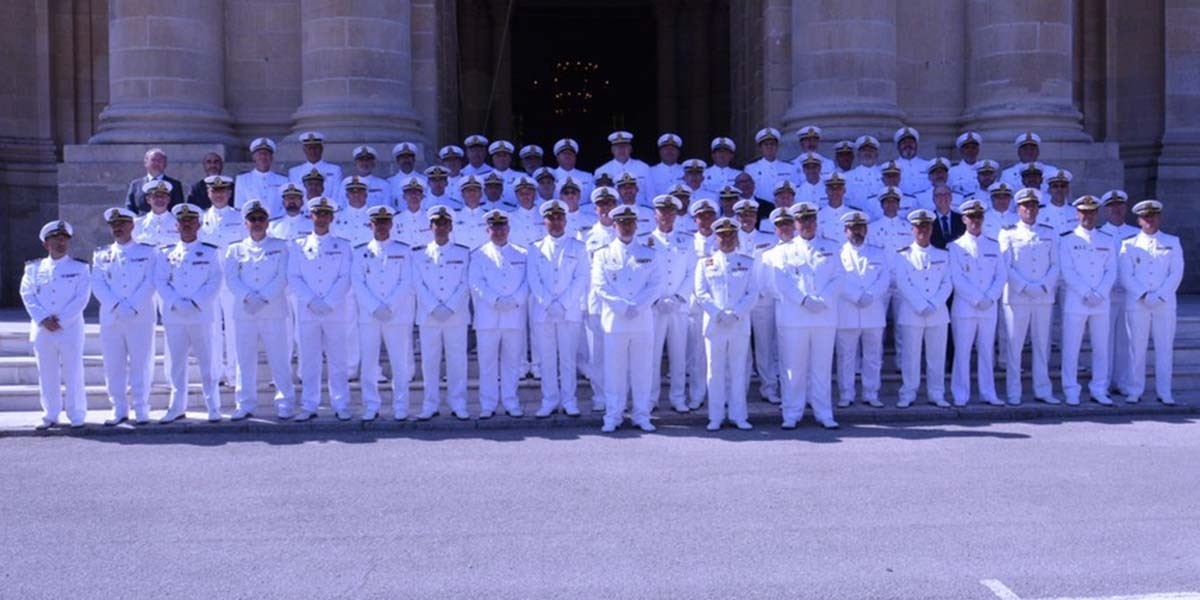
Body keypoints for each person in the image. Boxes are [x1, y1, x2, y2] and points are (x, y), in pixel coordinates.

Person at [591, 204, 664, 432]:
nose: (626, 227)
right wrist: (622, 306)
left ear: (636, 225)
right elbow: (599, 285)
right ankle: (613, 416)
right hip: (615, 321)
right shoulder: (602, 254)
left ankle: (642, 415)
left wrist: (638, 306)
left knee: (642, 371)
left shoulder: (649, 253)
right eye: (622, 223)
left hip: (642, 321)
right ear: (614, 225)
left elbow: (656, 284)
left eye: (630, 222)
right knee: (614, 372)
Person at [222, 199, 296, 420]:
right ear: (245, 223)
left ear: (267, 222)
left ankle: (285, 402)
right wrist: (248, 297)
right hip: (245, 311)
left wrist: (263, 298)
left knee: (279, 359)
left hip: (273, 310)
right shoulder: (235, 249)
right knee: (244, 360)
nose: (257, 223)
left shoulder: (281, 247)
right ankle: (244, 403)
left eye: (261, 218)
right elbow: (231, 278)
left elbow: (283, 277)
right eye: (252, 219)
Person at [773, 202, 841, 429]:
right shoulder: (784, 250)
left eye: (810, 219)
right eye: (802, 220)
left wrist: (823, 299)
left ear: (816, 221)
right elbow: (782, 281)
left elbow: (839, 277)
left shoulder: (831, 247)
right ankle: (792, 413)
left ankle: (824, 412)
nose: (807, 224)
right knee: (794, 368)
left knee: (822, 367)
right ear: (795, 223)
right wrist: (804, 300)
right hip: (795, 317)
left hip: (824, 316)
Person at [154, 204, 224, 424]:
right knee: (177, 364)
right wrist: (176, 301)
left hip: (200, 314)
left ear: (199, 224)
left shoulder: (211, 252)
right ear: (176, 225)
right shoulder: (165, 253)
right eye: (182, 221)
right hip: (175, 315)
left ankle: (213, 406)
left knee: (207, 363)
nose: (186, 225)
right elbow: (160, 280)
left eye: (191, 221)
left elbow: (214, 281)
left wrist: (194, 302)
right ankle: (176, 407)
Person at [288, 197, 352, 421]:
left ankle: (340, 403)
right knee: (309, 359)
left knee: (338, 360)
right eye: (318, 214)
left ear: (332, 218)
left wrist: (329, 301)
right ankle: (309, 404)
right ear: (310, 216)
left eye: (326, 214)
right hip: (308, 310)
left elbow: (345, 277)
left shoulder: (343, 246)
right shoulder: (298, 245)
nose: (321, 218)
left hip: (335, 310)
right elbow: (294, 276)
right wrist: (311, 301)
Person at [21, 220, 90, 430]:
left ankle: (76, 413)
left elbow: (81, 298)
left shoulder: (79, 268)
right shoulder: (33, 269)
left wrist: (61, 320)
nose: (61, 243)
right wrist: (43, 319)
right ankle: (50, 413)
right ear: (46, 243)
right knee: (47, 373)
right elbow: (27, 294)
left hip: (69, 328)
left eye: (64, 239)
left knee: (73, 372)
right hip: (43, 329)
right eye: (56, 239)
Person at [92, 208, 157, 426]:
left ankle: (141, 407)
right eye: (114, 225)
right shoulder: (101, 254)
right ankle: (118, 408)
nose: (117, 228)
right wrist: (117, 305)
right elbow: (98, 284)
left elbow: (150, 281)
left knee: (141, 363)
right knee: (113, 365)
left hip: (140, 316)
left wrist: (133, 305)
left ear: (132, 226)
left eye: (122, 224)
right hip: (112, 318)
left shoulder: (147, 252)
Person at [351, 205, 417, 421]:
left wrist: (390, 305)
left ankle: (401, 406)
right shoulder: (359, 252)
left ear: (391, 224)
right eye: (377, 222)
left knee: (400, 363)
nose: (381, 226)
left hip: (396, 314)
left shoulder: (404, 250)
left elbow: (406, 281)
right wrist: (374, 306)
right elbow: (358, 282)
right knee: (369, 363)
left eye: (385, 222)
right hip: (369, 316)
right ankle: (371, 404)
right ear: (370, 225)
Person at [694, 217, 759, 431]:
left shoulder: (748, 263)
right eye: (722, 235)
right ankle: (715, 416)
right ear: (716, 238)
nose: (727, 239)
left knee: (738, 371)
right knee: (715, 371)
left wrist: (736, 313)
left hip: (739, 324)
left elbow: (752, 293)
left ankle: (739, 415)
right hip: (715, 325)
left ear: (737, 237)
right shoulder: (705, 263)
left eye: (731, 235)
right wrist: (718, 314)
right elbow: (701, 293)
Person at [527, 199, 589, 417]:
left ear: (565, 220)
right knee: (547, 358)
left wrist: (563, 303)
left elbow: (581, 278)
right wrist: (547, 302)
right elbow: (533, 279)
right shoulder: (535, 248)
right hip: (543, 312)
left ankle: (569, 400)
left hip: (569, 312)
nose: (555, 222)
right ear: (544, 222)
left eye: (559, 218)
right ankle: (549, 400)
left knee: (568, 359)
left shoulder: (578, 247)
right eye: (550, 218)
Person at [1119, 199, 1184, 405]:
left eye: (1153, 216)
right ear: (1139, 220)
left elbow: (1176, 272)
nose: (1149, 220)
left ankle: (1164, 391)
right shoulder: (1129, 244)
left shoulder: (1172, 242)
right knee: (1136, 349)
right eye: (1145, 217)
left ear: (1159, 218)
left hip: (1164, 303)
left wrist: (1160, 295)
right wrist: (1144, 295)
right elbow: (1126, 275)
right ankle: (1134, 389)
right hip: (1138, 303)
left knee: (1164, 348)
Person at [999, 188, 1060, 405]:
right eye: (1025, 206)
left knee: (1042, 345)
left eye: (1033, 205)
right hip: (1017, 297)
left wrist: (1043, 285)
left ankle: (1042, 389)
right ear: (1018, 209)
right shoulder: (1007, 233)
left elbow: (1056, 264)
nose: (1029, 210)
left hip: (1043, 296)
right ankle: (1013, 391)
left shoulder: (1049, 233)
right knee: (1014, 346)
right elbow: (1005, 265)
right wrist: (1025, 286)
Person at [469, 210, 529, 418]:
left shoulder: (522, 254)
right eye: (494, 228)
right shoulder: (478, 255)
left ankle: (511, 401)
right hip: (487, 317)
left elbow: (527, 282)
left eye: (502, 227)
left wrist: (515, 300)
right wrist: (495, 300)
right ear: (487, 230)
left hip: (514, 316)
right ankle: (488, 404)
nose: (499, 231)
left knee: (512, 363)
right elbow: (476, 283)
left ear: (508, 229)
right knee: (487, 364)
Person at [414, 205, 472, 420]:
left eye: (444, 223)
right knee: (429, 362)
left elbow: (465, 283)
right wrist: (433, 306)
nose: (440, 227)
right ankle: (430, 404)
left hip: (455, 315)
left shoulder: (463, 253)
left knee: (457, 361)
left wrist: (450, 307)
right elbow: (417, 283)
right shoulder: (418, 254)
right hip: (428, 316)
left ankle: (458, 403)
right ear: (430, 227)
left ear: (451, 226)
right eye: (436, 223)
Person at [1058, 194, 1116, 406]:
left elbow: (1111, 269)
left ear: (1097, 214)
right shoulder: (1067, 239)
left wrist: (1099, 292)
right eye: (1084, 212)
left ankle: (1099, 388)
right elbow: (1067, 270)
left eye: (1091, 212)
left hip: (1101, 301)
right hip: (1077, 301)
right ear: (1077, 214)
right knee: (1071, 348)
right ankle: (1070, 389)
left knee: (1101, 348)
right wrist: (1085, 292)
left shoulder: (1107, 239)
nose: (1087, 216)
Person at [948, 199, 1007, 407]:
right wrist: (976, 297)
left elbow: (1001, 275)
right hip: (965, 307)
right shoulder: (955, 247)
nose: (975, 220)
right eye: (971, 217)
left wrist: (990, 297)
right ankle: (960, 393)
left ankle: (988, 392)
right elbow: (956, 277)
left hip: (988, 307)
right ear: (964, 219)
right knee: (962, 352)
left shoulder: (993, 244)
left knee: (986, 351)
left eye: (979, 216)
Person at [893, 208, 953, 408]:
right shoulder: (903, 255)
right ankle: (908, 393)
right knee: (911, 356)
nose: (923, 230)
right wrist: (920, 304)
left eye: (926, 226)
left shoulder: (943, 255)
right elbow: (903, 282)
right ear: (912, 229)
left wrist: (935, 303)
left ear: (931, 228)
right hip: (912, 313)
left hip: (938, 313)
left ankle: (936, 393)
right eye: (919, 227)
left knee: (937, 357)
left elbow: (947, 282)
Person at [643, 194, 696, 413]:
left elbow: (692, 272)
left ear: (676, 214)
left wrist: (678, 297)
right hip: (653, 308)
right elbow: (643, 274)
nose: (666, 215)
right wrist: (655, 299)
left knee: (679, 355)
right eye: (662, 211)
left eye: (670, 211)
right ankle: (650, 398)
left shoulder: (687, 241)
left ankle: (678, 397)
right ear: (655, 214)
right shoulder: (645, 241)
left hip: (678, 307)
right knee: (651, 355)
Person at [835, 211, 890, 408]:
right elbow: (837, 279)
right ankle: (846, 394)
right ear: (845, 231)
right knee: (846, 357)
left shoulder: (878, 253)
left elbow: (884, 278)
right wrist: (856, 295)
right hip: (847, 311)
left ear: (866, 230)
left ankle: (871, 393)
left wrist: (871, 295)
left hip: (873, 311)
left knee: (873, 356)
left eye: (860, 228)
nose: (856, 232)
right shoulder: (837, 253)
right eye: (852, 229)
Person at [199, 175, 243, 387]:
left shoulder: (240, 217)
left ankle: (234, 374)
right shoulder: (199, 218)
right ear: (208, 194)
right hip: (208, 281)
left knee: (234, 328)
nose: (219, 195)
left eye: (223, 191)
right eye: (214, 191)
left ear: (229, 193)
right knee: (212, 328)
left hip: (232, 281)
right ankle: (215, 373)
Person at [1099, 190, 1138, 396]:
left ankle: (1122, 381)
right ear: (1106, 210)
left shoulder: (1136, 234)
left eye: (1120, 205)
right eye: (1112, 206)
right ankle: (1103, 382)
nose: (1116, 209)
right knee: (1104, 340)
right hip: (1105, 295)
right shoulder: (1099, 233)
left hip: (1129, 294)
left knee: (1125, 340)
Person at [235, 138, 290, 217]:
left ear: (272, 158)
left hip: (277, 222)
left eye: (266, 154)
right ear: (253, 157)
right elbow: (239, 207)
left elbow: (285, 206)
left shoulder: (283, 180)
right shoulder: (242, 179)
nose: (263, 156)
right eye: (259, 154)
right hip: (253, 222)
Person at [597, 131, 652, 206]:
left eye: (624, 146)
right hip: (613, 210)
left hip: (639, 209)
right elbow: (597, 198)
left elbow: (651, 194)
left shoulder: (643, 167)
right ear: (612, 150)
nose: (621, 150)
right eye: (618, 147)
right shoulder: (602, 171)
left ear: (630, 148)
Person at [126, 148, 184, 214]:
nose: (156, 163)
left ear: (165, 164)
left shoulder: (175, 185)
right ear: (146, 163)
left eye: (160, 160)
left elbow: (178, 210)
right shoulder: (136, 185)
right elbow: (129, 209)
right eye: (153, 160)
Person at [133, 180, 181, 246]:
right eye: (156, 196)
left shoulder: (179, 223)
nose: (160, 199)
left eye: (163, 196)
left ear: (168, 199)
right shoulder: (136, 224)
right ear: (148, 199)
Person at [648, 133, 683, 197]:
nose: (669, 151)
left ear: (678, 152)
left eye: (673, 149)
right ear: (660, 152)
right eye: (666, 149)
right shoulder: (650, 172)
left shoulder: (685, 171)